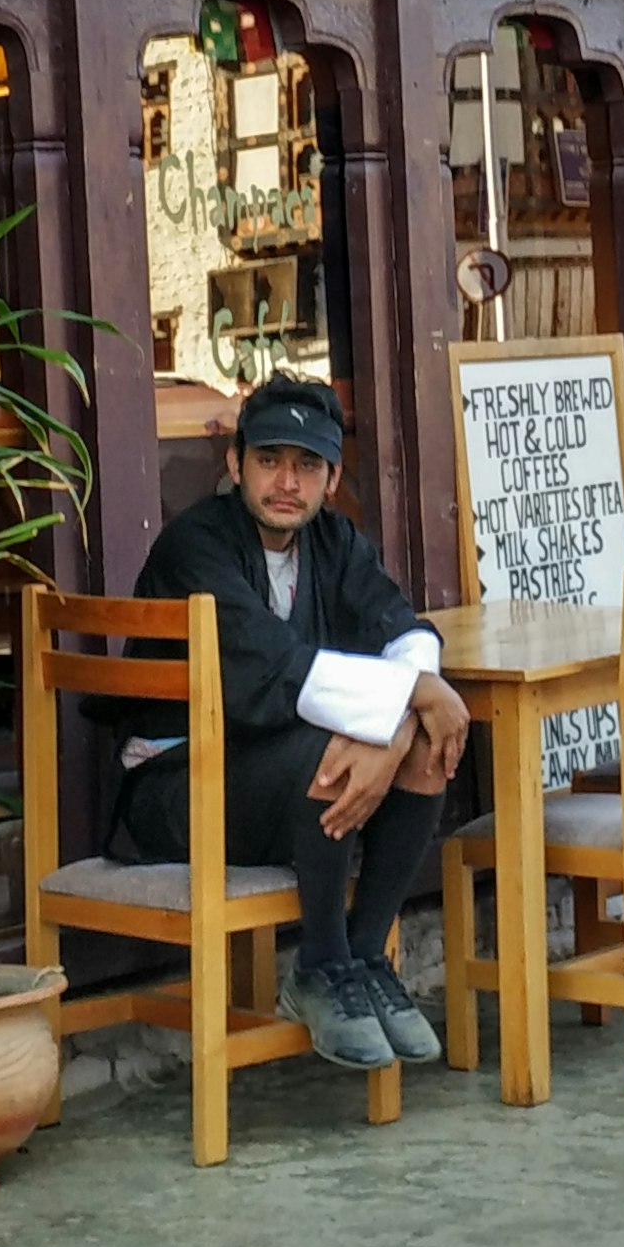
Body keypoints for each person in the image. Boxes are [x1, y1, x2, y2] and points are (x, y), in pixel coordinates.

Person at [107, 375, 469, 1068]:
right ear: (235, 463)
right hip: (177, 787)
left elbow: (401, 624)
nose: (286, 481)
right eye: (270, 458)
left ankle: (361, 959)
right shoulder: (197, 545)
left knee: (429, 743)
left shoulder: (334, 541)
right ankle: (318, 964)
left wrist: (406, 720)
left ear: (332, 477)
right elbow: (272, 670)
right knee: (348, 741)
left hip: (273, 777)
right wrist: (410, 700)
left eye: (307, 465)